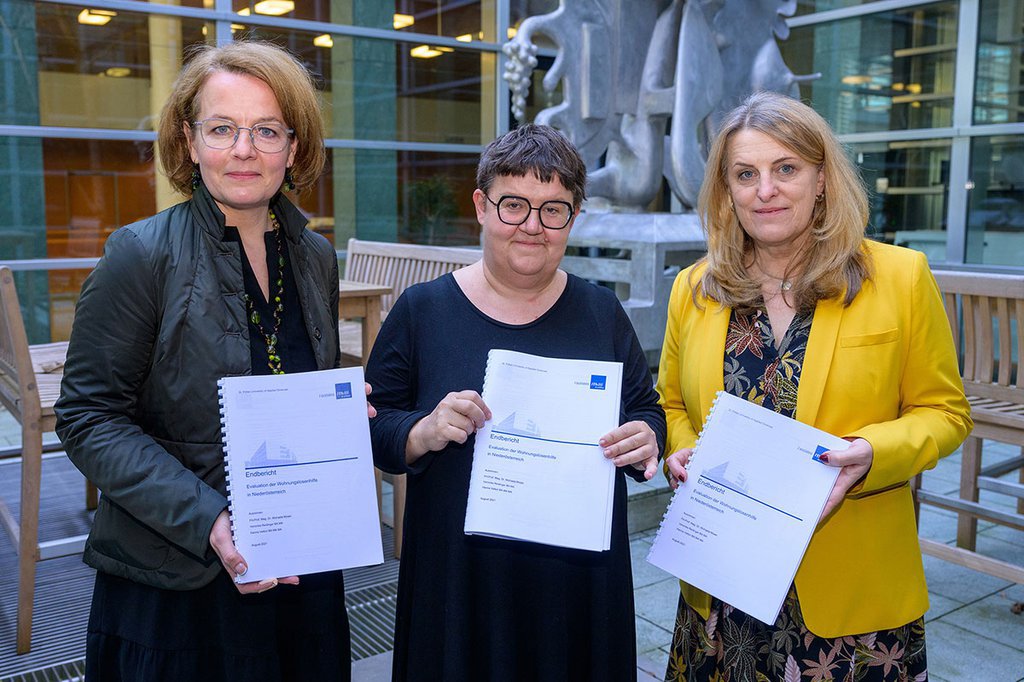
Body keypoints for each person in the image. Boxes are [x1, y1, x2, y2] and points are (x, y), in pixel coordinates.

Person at [55, 41, 362, 681]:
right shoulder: (139, 255)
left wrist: (337, 418)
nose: (244, 149)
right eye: (222, 129)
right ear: (190, 143)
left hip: (298, 567)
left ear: (295, 148)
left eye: (266, 131)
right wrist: (210, 521)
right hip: (178, 586)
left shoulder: (316, 258)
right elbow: (88, 419)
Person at [657, 91, 972, 680]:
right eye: (745, 174)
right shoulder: (694, 288)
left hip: (851, 601)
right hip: (721, 591)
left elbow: (945, 412)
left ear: (822, 179)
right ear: (726, 191)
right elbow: (672, 402)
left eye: (786, 169)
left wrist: (873, 454)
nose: (765, 190)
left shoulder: (899, 279)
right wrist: (681, 450)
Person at [366, 123, 666, 681]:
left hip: (577, 583)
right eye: (514, 205)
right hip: (460, 582)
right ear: (481, 206)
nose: (532, 226)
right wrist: (424, 431)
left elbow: (646, 410)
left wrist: (647, 437)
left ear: (573, 219)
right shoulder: (422, 310)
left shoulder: (602, 313)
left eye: (554, 210)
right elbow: (373, 427)